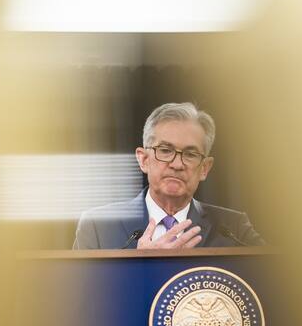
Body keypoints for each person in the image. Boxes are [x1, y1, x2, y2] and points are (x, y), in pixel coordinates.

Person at [73, 102, 265, 249]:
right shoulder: (97, 226)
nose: (177, 164)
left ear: (205, 168)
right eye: (165, 150)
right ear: (143, 159)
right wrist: (137, 266)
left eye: (190, 154)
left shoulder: (233, 228)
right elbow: (81, 299)